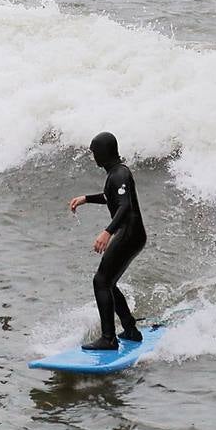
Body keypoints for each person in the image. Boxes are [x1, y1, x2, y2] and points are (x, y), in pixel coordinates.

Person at [68, 132, 147, 351]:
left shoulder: (119, 174)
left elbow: (124, 206)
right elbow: (110, 197)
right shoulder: (115, 173)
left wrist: (107, 232)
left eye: (95, 152)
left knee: (101, 281)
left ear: (103, 153)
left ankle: (109, 338)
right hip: (131, 234)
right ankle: (130, 329)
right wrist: (86, 199)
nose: (93, 156)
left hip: (129, 234)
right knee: (108, 282)